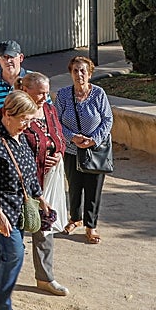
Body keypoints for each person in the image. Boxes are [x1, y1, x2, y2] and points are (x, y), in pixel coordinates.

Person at [0, 89, 48, 310]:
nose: (26, 126)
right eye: (22, 120)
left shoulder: (21, 137)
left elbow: (28, 171)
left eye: (29, 120)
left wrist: (40, 197)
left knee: (12, 254)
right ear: (7, 113)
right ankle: (0, 305)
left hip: (18, 207)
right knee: (14, 252)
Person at [15, 71, 70, 296]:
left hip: (47, 181)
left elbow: (60, 136)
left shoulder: (48, 108)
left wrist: (58, 153)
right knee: (13, 236)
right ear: (25, 90)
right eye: (40, 93)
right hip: (23, 184)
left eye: (47, 93)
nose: (44, 97)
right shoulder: (13, 111)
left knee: (45, 228)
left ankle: (45, 278)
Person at [56, 55, 114, 245]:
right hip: (72, 149)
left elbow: (107, 120)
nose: (79, 74)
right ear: (70, 73)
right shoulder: (64, 95)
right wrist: (72, 137)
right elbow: (56, 122)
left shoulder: (98, 94)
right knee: (74, 186)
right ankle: (75, 219)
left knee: (93, 188)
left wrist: (93, 140)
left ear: (89, 73)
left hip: (94, 150)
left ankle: (91, 225)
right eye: (75, 70)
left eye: (83, 71)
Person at [0, 40, 26, 110]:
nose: (8, 61)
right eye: (4, 57)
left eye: (11, 57)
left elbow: (48, 109)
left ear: (21, 58)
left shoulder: (32, 79)